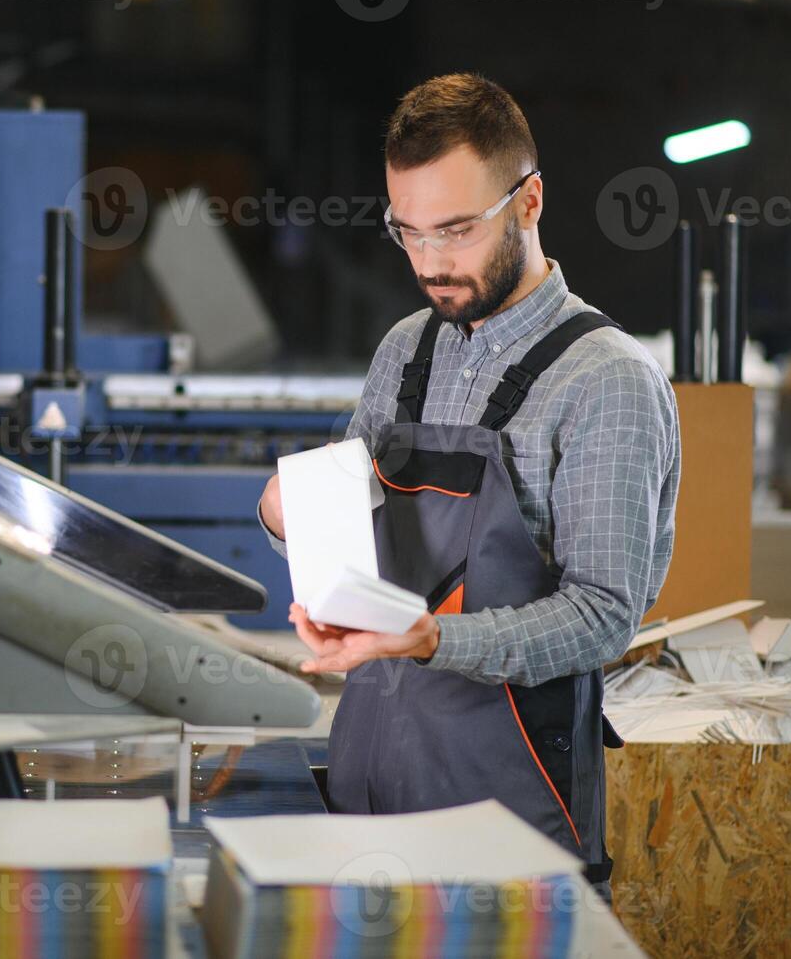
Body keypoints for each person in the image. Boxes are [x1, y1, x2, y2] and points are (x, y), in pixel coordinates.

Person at [258, 73, 681, 889]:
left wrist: (433, 641)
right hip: (368, 792)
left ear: (529, 201)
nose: (429, 262)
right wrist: (287, 524)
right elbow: (355, 553)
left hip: (506, 827)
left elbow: (601, 619)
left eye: (453, 230)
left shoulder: (607, 381)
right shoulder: (405, 349)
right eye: (407, 233)